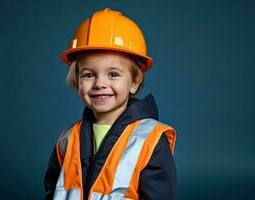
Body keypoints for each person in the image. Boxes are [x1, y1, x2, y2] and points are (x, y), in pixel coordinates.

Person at [44, 8, 177, 200]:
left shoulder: (150, 140)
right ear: (77, 81)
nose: (100, 84)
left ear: (134, 83)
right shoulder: (68, 138)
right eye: (89, 75)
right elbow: (52, 189)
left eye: (113, 74)